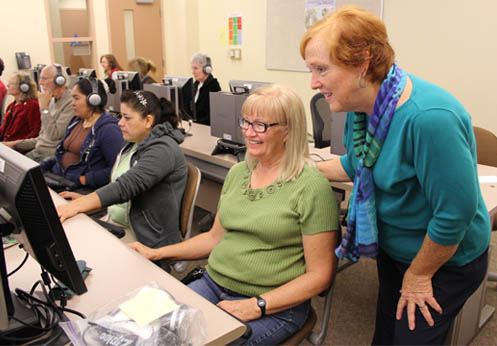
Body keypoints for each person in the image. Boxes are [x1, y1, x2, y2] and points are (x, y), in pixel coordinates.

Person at [300, 6, 490, 345]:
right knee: (386, 333)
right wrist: (302, 169)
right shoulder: (366, 111)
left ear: (362, 63)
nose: (314, 82)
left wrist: (418, 275)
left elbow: (454, 214)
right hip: (396, 249)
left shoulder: (430, 118)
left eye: (321, 69)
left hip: (443, 260)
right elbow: (357, 167)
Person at [129, 84, 340, 345]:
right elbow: (214, 238)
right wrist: (159, 252)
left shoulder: (311, 187)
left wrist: (257, 305)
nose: (249, 132)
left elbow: (320, 276)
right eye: (246, 122)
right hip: (214, 283)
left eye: (260, 125)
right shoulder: (239, 173)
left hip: (274, 304)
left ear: (288, 130)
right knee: (151, 331)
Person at [56, 90, 187, 271]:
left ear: (148, 121)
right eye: (120, 116)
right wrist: (86, 200)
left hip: (144, 238)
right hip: (115, 223)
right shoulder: (132, 143)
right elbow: (117, 185)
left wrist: (78, 206)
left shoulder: (163, 150)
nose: (120, 123)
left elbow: (125, 187)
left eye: (127, 118)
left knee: (86, 264)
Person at [40, 78, 123, 189]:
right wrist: (41, 167)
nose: (72, 103)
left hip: (79, 187)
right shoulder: (76, 121)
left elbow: (116, 169)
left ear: (94, 100)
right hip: (59, 178)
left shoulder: (109, 130)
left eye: (76, 98)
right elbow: (61, 153)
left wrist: (83, 180)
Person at [5, 64, 73, 162]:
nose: (40, 83)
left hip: (50, 156)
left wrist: (44, 108)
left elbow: (54, 135)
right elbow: (41, 139)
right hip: (37, 152)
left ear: (59, 81)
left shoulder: (71, 103)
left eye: (44, 79)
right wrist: (13, 144)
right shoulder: (51, 100)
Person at [0, 73, 41, 142]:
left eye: (11, 83)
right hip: (6, 144)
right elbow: (4, 130)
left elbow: (35, 132)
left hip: (17, 147)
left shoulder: (32, 105)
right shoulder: (11, 106)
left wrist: (18, 144)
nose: (7, 85)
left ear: (23, 87)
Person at [190, 52, 221, 125]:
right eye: (192, 68)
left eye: (196, 68)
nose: (193, 72)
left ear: (207, 70)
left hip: (204, 127)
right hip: (196, 125)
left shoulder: (213, 87)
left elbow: (211, 115)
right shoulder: (196, 84)